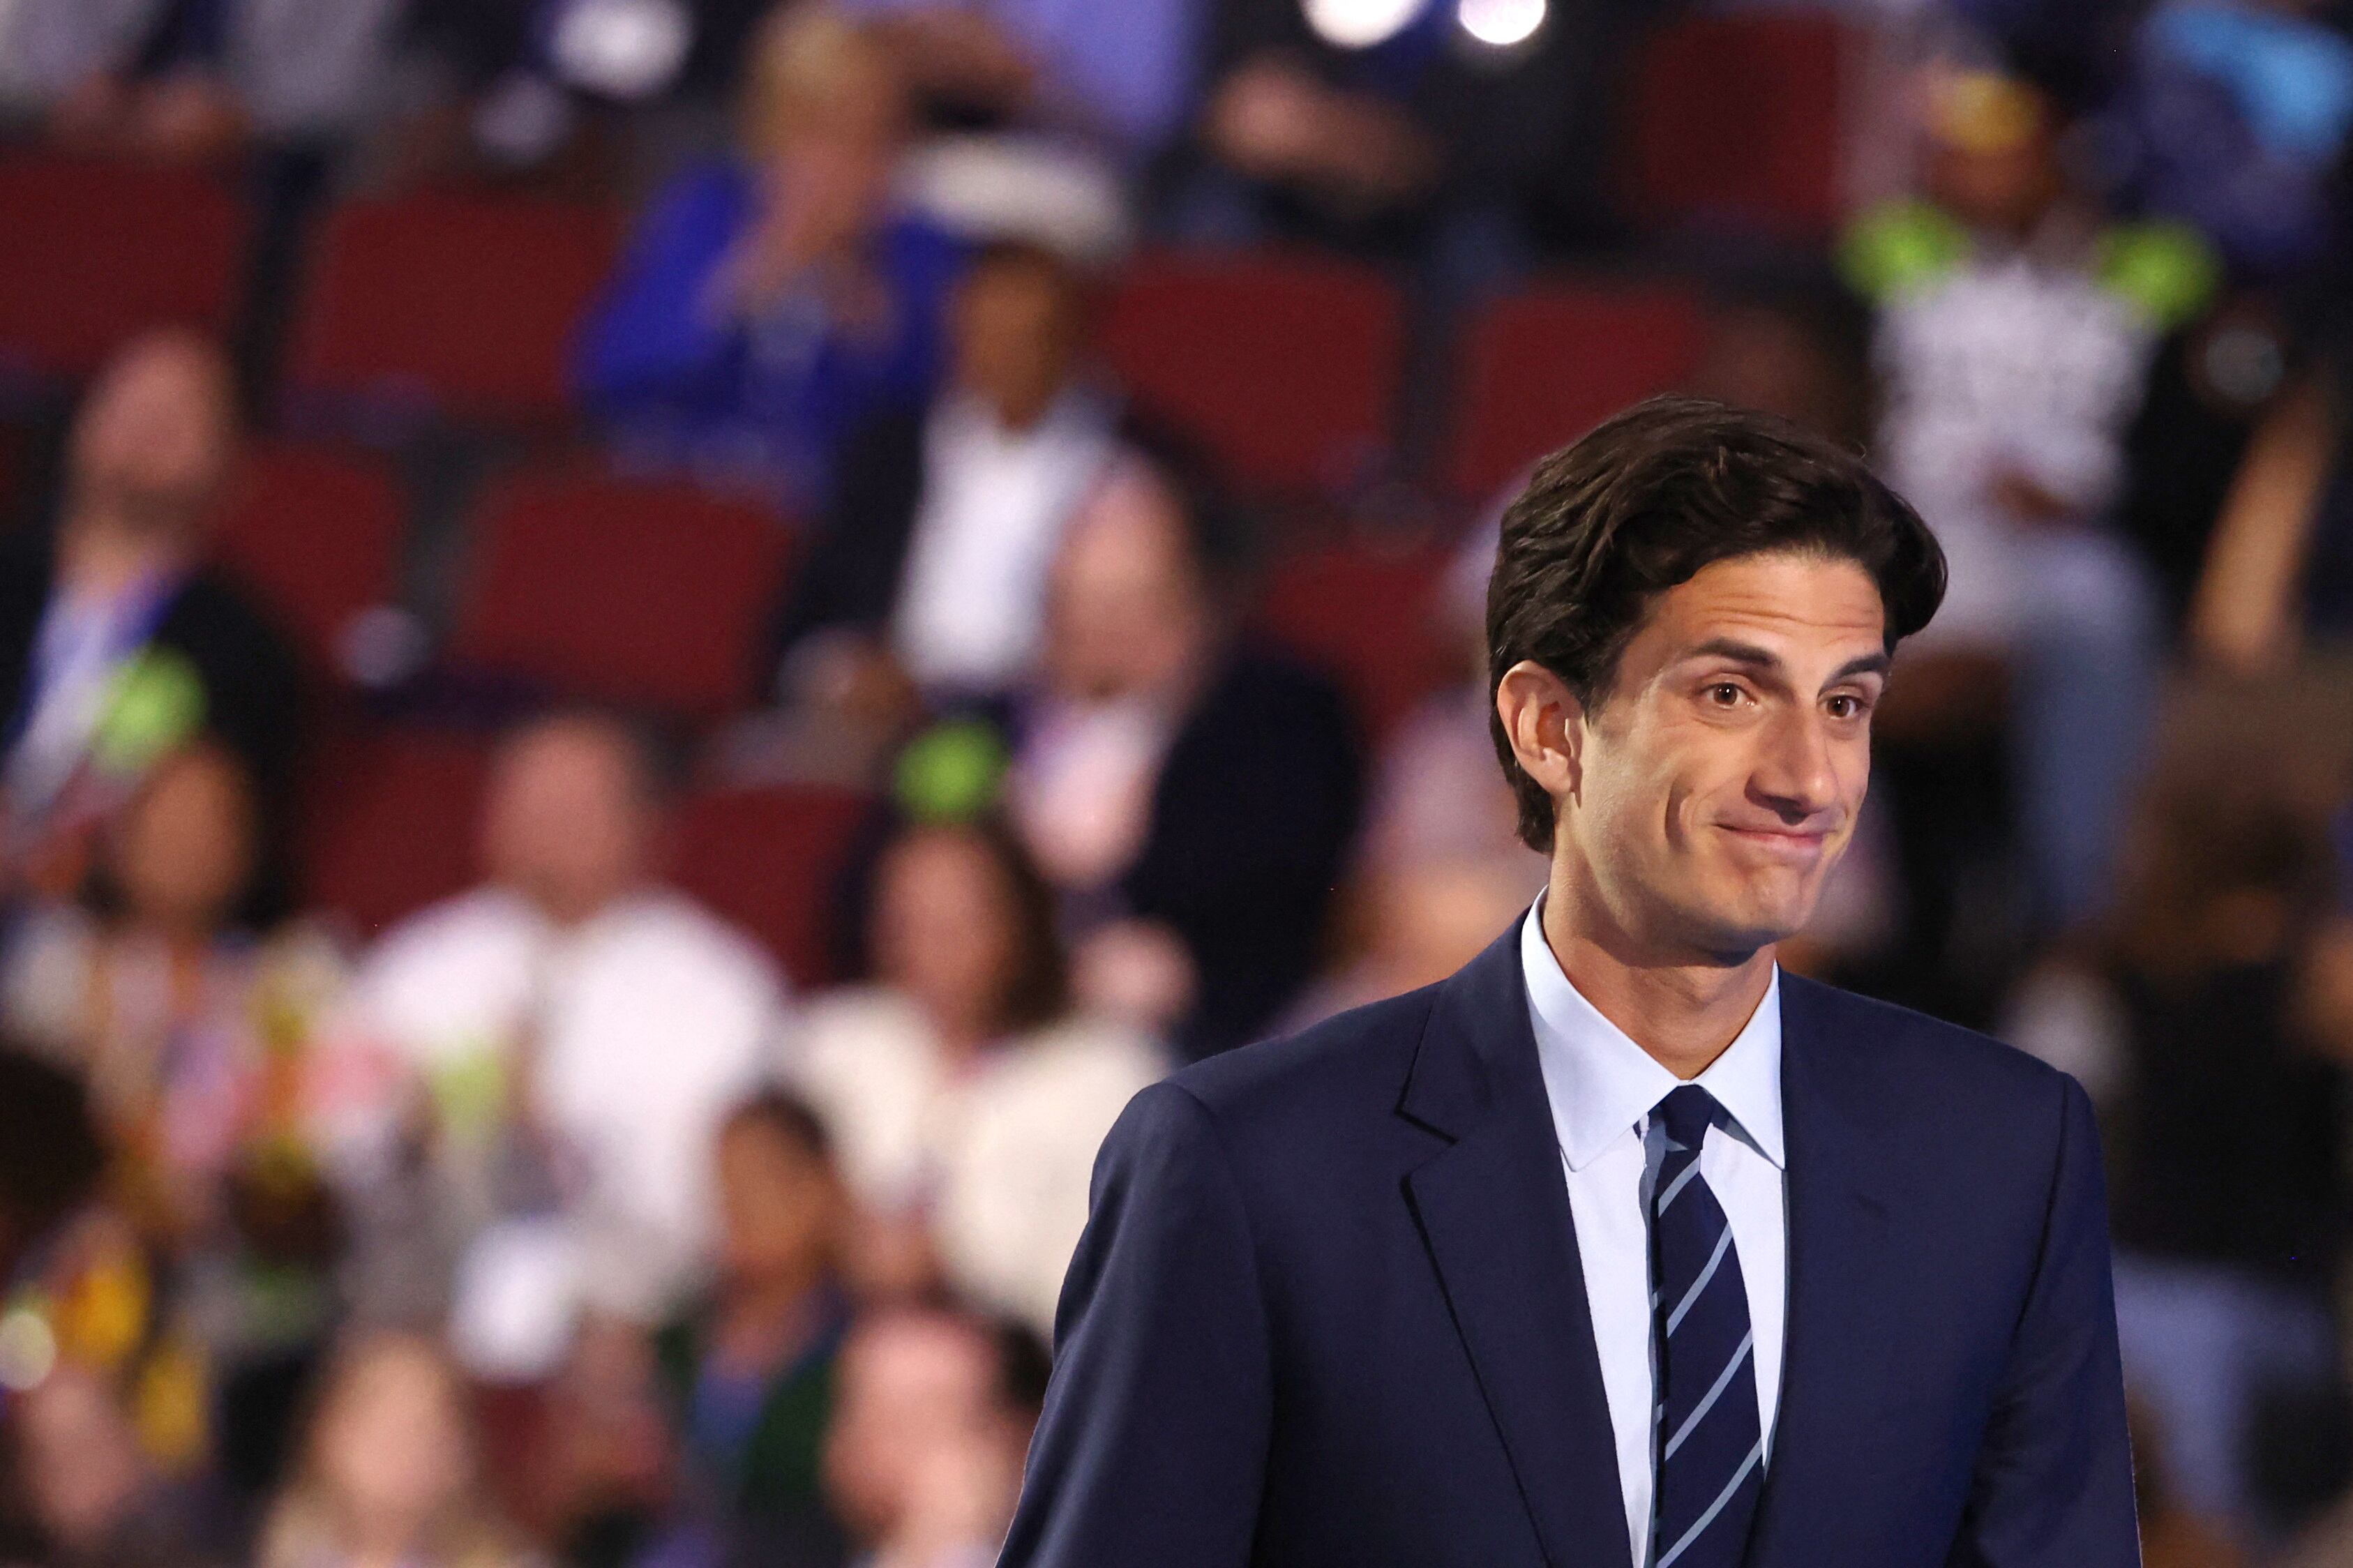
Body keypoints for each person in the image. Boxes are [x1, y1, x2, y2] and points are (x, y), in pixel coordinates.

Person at [1000, 397, 2137, 1566]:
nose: (1808, 777)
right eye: (1729, 693)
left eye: (1843, 701)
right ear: (1549, 727)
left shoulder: (2003, 1153)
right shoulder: (1247, 1167)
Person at [1841, 68, 2213, 932]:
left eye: (2001, 154)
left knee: (2100, 613)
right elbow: (1830, 390)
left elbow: (2190, 441)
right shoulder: (1892, 254)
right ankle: (1866, 916)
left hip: (2071, 538)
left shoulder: (2152, 266)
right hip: (1917, 527)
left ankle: (2077, 915)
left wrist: (2095, 504)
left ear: (2064, 155)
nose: (1972, 174)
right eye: (1958, 156)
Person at [324, 711, 787, 1347]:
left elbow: (723, 1206)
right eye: (528, 802)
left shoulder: (719, 991)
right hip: (417, 1318)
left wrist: (555, 1148)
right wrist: (408, 1136)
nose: (547, 828)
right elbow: (334, 1143)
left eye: (575, 807)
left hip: (637, 1329)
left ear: (647, 824)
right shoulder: (416, 968)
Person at [1003, 442, 1364, 1057]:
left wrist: (1186, 966)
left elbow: (1283, 899)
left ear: (1195, 601)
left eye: (1129, 602)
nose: (1100, 630)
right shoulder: (982, 725)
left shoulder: (1275, 721)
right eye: (1079, 602)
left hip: (1191, 1037)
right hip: (996, 1014)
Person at [573, 5, 964, 508]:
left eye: (871, 139)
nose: (842, 165)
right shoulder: (708, 212)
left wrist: (857, 291)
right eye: (821, 134)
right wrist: (750, 279)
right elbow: (611, 377)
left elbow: (932, 420)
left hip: (835, 525)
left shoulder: (920, 248)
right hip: (679, 497)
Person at [789, 817, 1163, 1341]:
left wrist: (955, 1263)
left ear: (1021, 922)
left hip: (1026, 1383)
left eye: (956, 923)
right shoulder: (827, 1045)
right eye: (906, 922)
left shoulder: (1110, 1077)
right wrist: (832, 1235)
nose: (929, 948)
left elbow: (1128, 1282)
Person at [0, 331, 301, 906]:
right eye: (129, 401)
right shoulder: (9, 580)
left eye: (177, 415)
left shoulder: (249, 652)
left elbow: (222, 844)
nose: (146, 427)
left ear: (233, 461)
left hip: (109, 929)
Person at [769, 236, 1118, 711]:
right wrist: (848, 673)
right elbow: (812, 615)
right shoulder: (888, 453)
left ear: (1070, 340)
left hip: (1042, 716)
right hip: (887, 710)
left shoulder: (1125, 466)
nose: (998, 357)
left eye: (1022, 338)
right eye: (981, 334)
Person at [654, 1090, 855, 1551]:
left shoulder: (859, 1344)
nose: (738, 1206)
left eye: (763, 1181)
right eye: (725, 1184)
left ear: (825, 1185)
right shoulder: (676, 1339)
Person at [251, 1329, 535, 1568]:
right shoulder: (268, 1552)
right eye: (379, 1420)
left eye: (424, 1426)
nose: (402, 1446)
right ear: (327, 1433)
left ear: (462, 1453)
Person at [820, 1305, 1035, 1568]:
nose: (877, 1446)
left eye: (924, 1419)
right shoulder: (785, 1540)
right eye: (870, 1414)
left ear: (1015, 1437)